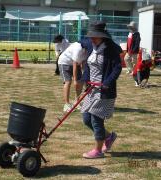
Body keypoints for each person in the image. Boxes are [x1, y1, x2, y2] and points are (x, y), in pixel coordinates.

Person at [80, 21, 122, 159]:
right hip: (91, 89)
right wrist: (85, 79)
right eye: (91, 36)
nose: (92, 39)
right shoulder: (92, 47)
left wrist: (107, 82)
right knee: (86, 118)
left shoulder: (111, 49)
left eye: (95, 36)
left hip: (104, 91)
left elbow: (117, 68)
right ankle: (109, 137)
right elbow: (88, 67)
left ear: (103, 36)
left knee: (96, 120)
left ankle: (98, 150)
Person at [58, 39, 92, 112]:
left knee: (81, 81)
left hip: (76, 64)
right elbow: (74, 64)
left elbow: (83, 63)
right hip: (64, 63)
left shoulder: (88, 50)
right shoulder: (78, 48)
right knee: (68, 82)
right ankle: (66, 104)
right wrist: (75, 80)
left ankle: (77, 102)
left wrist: (84, 77)